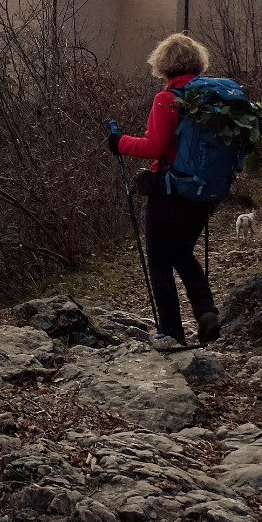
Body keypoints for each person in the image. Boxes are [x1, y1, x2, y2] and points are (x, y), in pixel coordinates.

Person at [108, 33, 222, 348]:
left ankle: (171, 332)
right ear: (197, 62)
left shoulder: (167, 99)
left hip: (169, 191)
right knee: (182, 252)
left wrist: (120, 143)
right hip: (202, 193)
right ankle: (206, 311)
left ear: (163, 65)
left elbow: (156, 146)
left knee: (159, 260)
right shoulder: (211, 97)